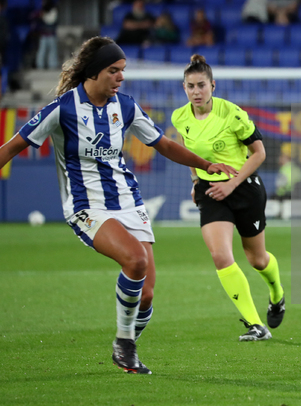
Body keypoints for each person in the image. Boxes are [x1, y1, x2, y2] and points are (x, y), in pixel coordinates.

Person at [0, 37, 237, 374]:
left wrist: (205, 164)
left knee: (147, 295)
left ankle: (127, 343)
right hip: (86, 206)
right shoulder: (62, 108)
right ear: (95, 73)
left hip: (127, 201)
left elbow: (164, 144)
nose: (121, 77)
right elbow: (11, 148)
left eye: (123, 70)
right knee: (136, 260)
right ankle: (124, 344)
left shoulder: (124, 106)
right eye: (114, 71)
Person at [171, 54, 286, 341]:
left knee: (257, 260)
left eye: (201, 85)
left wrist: (232, 185)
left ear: (213, 85)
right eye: (190, 86)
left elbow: (259, 153)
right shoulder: (179, 117)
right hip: (212, 192)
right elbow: (189, 153)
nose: (196, 92)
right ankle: (255, 325)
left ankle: (277, 295)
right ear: (183, 88)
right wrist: (196, 180)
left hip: (245, 189)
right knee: (221, 255)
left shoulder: (232, 114)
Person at [34, 0, 59, 70]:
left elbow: (51, 20)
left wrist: (42, 15)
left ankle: (52, 65)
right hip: (44, 34)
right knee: (42, 50)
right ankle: (40, 65)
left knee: (52, 51)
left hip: (51, 34)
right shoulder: (42, 11)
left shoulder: (53, 10)